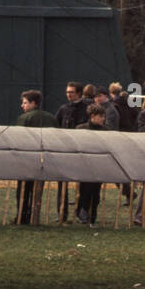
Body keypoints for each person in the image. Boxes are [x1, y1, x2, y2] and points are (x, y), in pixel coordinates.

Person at [16, 90, 57, 224]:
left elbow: (19, 138)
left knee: (23, 190)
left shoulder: (24, 118)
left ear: (33, 103)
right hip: (44, 159)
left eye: (25, 103)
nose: (23, 106)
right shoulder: (51, 117)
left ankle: (22, 216)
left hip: (27, 159)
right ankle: (35, 215)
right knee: (37, 189)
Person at [55, 82, 89, 223]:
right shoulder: (63, 109)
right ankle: (62, 213)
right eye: (67, 92)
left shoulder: (86, 108)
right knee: (62, 183)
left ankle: (81, 212)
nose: (68, 95)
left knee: (84, 183)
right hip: (66, 150)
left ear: (79, 93)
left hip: (81, 150)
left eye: (71, 92)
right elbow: (56, 126)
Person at [74, 104, 108, 225]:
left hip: (99, 166)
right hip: (85, 165)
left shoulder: (106, 131)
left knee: (96, 193)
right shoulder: (81, 128)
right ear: (92, 116)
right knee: (85, 191)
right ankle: (82, 212)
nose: (103, 119)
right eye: (101, 116)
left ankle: (92, 215)